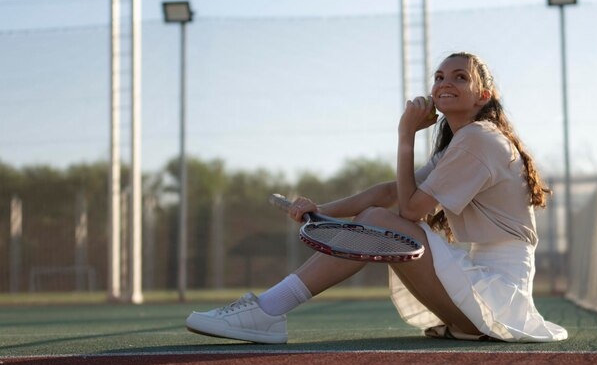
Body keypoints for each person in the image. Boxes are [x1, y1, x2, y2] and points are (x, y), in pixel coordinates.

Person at [186, 52, 568, 343]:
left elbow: (409, 209)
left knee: (380, 221)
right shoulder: (464, 142)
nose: (443, 82)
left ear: (482, 95)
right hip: (479, 292)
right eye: (438, 76)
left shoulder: (478, 138)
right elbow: (389, 192)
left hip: (498, 293)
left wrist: (405, 137)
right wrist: (320, 210)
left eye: (459, 77)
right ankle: (267, 309)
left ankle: (269, 309)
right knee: (377, 218)